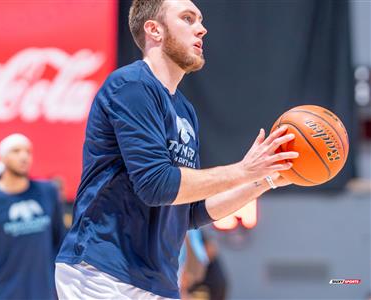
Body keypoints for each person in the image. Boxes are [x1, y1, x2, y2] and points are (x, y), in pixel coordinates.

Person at [55, 0, 299, 299]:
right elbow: (156, 186)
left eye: (200, 20)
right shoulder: (130, 86)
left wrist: (265, 181)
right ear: (154, 29)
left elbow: (190, 212)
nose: (202, 28)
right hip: (102, 271)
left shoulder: (184, 110)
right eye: (188, 18)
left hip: (157, 279)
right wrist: (243, 170)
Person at [0, 133, 66, 300]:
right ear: (2, 157)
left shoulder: (48, 192)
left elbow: (61, 243)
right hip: (1, 294)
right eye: (16, 151)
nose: (24, 156)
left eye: (28, 151)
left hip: (44, 294)